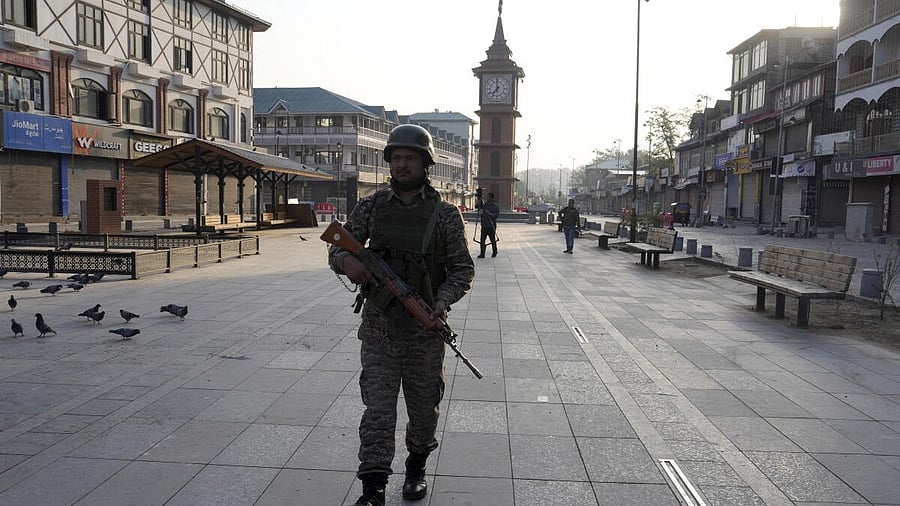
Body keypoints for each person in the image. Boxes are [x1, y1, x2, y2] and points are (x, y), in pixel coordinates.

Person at [328, 124, 475, 506]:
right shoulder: (371, 207)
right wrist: (348, 262)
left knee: (424, 409)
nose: (402, 165)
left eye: (410, 158)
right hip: (379, 329)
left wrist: (441, 302)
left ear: (425, 164)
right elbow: (336, 247)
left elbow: (462, 269)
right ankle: (373, 485)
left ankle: (416, 467)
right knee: (377, 409)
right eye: (396, 158)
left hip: (425, 333)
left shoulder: (445, 215)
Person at [476, 191, 499, 258]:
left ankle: (495, 251)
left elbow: (496, 215)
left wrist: (489, 213)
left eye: (488, 197)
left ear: (491, 198)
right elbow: (478, 206)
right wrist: (479, 198)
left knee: (492, 239)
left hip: (491, 225)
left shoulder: (495, 206)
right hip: (484, 225)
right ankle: (482, 253)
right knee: (482, 240)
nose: (487, 198)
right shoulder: (485, 204)